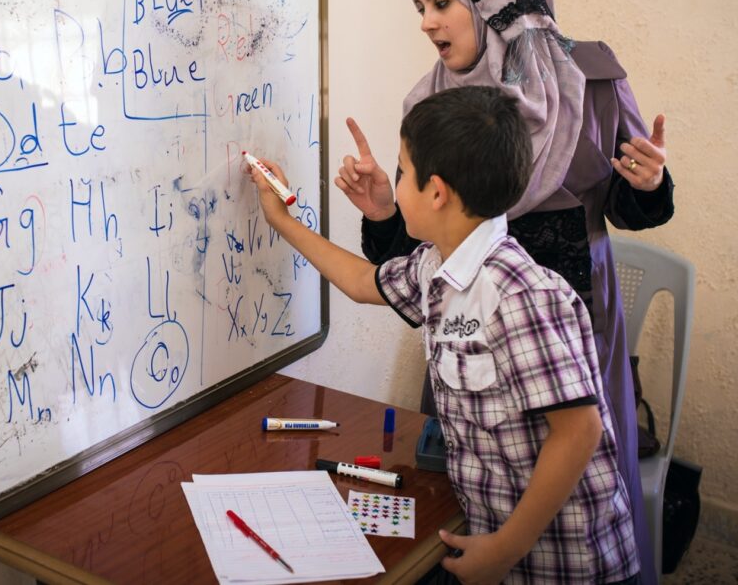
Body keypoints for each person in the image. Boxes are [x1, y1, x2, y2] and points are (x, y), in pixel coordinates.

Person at [334, 0, 672, 583]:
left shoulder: (593, 79)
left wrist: (649, 185)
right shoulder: (432, 104)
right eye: (420, 8)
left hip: (577, 319)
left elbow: (635, 210)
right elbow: (419, 254)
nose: (427, 23)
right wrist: (381, 209)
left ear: (497, 3)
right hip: (469, 337)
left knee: (584, 489)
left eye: (440, 3)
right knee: (471, 484)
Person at [250, 86, 639, 585]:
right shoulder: (437, 262)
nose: (398, 186)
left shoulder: (519, 294)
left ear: (436, 192)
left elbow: (579, 431)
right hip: (493, 534)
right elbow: (361, 282)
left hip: (563, 563)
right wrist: (281, 219)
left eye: (403, 174)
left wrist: (504, 549)